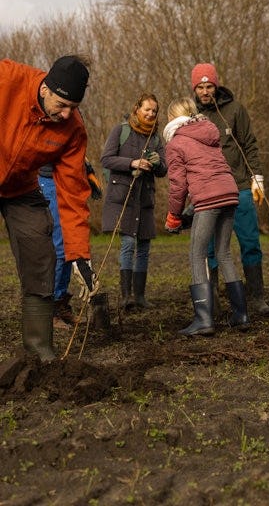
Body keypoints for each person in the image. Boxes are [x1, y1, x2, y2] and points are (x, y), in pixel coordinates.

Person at [0, 55, 98, 361]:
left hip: (21, 189)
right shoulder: (7, 80)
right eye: (62, 104)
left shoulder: (72, 129)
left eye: (74, 107)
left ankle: (39, 350)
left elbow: (72, 195)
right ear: (45, 89)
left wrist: (79, 255)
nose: (67, 114)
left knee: (41, 256)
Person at [191, 63, 269, 315]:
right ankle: (213, 298)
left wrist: (256, 175)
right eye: (200, 87)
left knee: (250, 242)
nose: (205, 92)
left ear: (216, 86)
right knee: (209, 248)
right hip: (206, 191)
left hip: (239, 187)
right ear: (194, 89)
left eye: (209, 86)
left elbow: (249, 143)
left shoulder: (235, 110)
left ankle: (257, 297)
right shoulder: (191, 115)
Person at [163, 97, 249, 335]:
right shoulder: (209, 134)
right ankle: (241, 315)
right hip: (230, 193)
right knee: (224, 253)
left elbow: (178, 185)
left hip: (209, 200)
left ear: (173, 119)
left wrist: (174, 215)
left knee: (197, 254)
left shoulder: (176, 143)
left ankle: (203, 320)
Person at [100, 92, 167, 310]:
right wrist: (132, 163)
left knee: (144, 247)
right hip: (123, 198)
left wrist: (156, 164)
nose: (150, 114)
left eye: (154, 111)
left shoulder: (156, 138)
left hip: (144, 199)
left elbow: (164, 170)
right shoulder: (121, 130)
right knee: (128, 244)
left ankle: (139, 296)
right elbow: (106, 159)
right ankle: (125, 296)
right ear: (137, 109)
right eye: (147, 109)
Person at [39, 158, 103, 329]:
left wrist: (87, 170)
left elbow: (73, 147)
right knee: (60, 247)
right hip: (50, 180)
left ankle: (60, 304)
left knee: (70, 247)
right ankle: (50, 311)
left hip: (67, 180)